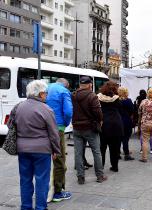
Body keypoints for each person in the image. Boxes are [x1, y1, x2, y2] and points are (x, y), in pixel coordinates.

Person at [15, 80, 61, 210]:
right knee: (42, 180)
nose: (46, 95)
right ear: (41, 94)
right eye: (45, 93)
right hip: (42, 150)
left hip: (22, 149)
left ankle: (26, 207)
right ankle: (41, 207)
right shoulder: (46, 109)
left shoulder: (19, 106)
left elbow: (11, 125)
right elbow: (54, 133)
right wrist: (56, 150)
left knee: (25, 180)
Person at [72, 76, 106, 185]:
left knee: (78, 153)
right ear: (90, 84)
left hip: (77, 128)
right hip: (90, 127)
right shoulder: (92, 96)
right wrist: (100, 120)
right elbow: (98, 112)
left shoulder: (73, 95)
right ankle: (99, 176)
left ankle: (80, 177)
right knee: (96, 151)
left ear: (80, 85)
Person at [46, 78, 72, 202]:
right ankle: (57, 193)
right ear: (66, 85)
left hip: (43, 127)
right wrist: (65, 124)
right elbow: (68, 112)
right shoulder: (64, 91)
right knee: (59, 160)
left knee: (45, 158)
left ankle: (44, 191)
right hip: (58, 127)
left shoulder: (45, 87)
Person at [98, 81, 124, 172]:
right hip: (116, 124)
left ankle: (100, 167)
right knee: (115, 148)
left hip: (103, 125)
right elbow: (121, 110)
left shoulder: (98, 98)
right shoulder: (117, 99)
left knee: (102, 148)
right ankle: (115, 166)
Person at [118, 87, 135, 161]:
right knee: (125, 138)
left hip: (118, 121)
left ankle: (117, 154)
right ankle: (126, 154)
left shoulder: (116, 101)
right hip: (126, 121)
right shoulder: (128, 101)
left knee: (118, 138)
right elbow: (132, 111)